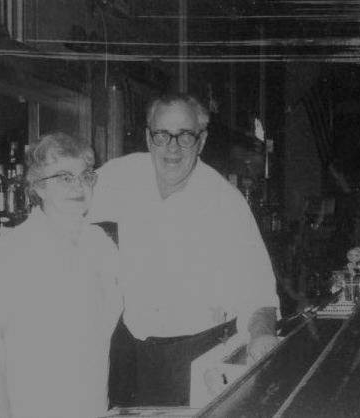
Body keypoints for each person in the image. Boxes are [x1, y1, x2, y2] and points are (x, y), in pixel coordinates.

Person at [89, 92, 281, 406]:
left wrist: (261, 336)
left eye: (185, 136)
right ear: (148, 138)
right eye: (162, 135)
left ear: (201, 141)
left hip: (195, 353)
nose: (172, 148)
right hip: (128, 349)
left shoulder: (225, 203)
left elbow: (258, 291)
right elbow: (69, 202)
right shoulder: (122, 174)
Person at [0, 132, 123, 418]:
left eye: (85, 175)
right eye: (64, 177)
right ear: (38, 188)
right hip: (29, 406)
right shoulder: (14, 247)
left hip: (89, 401)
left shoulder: (100, 243)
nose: (78, 185)